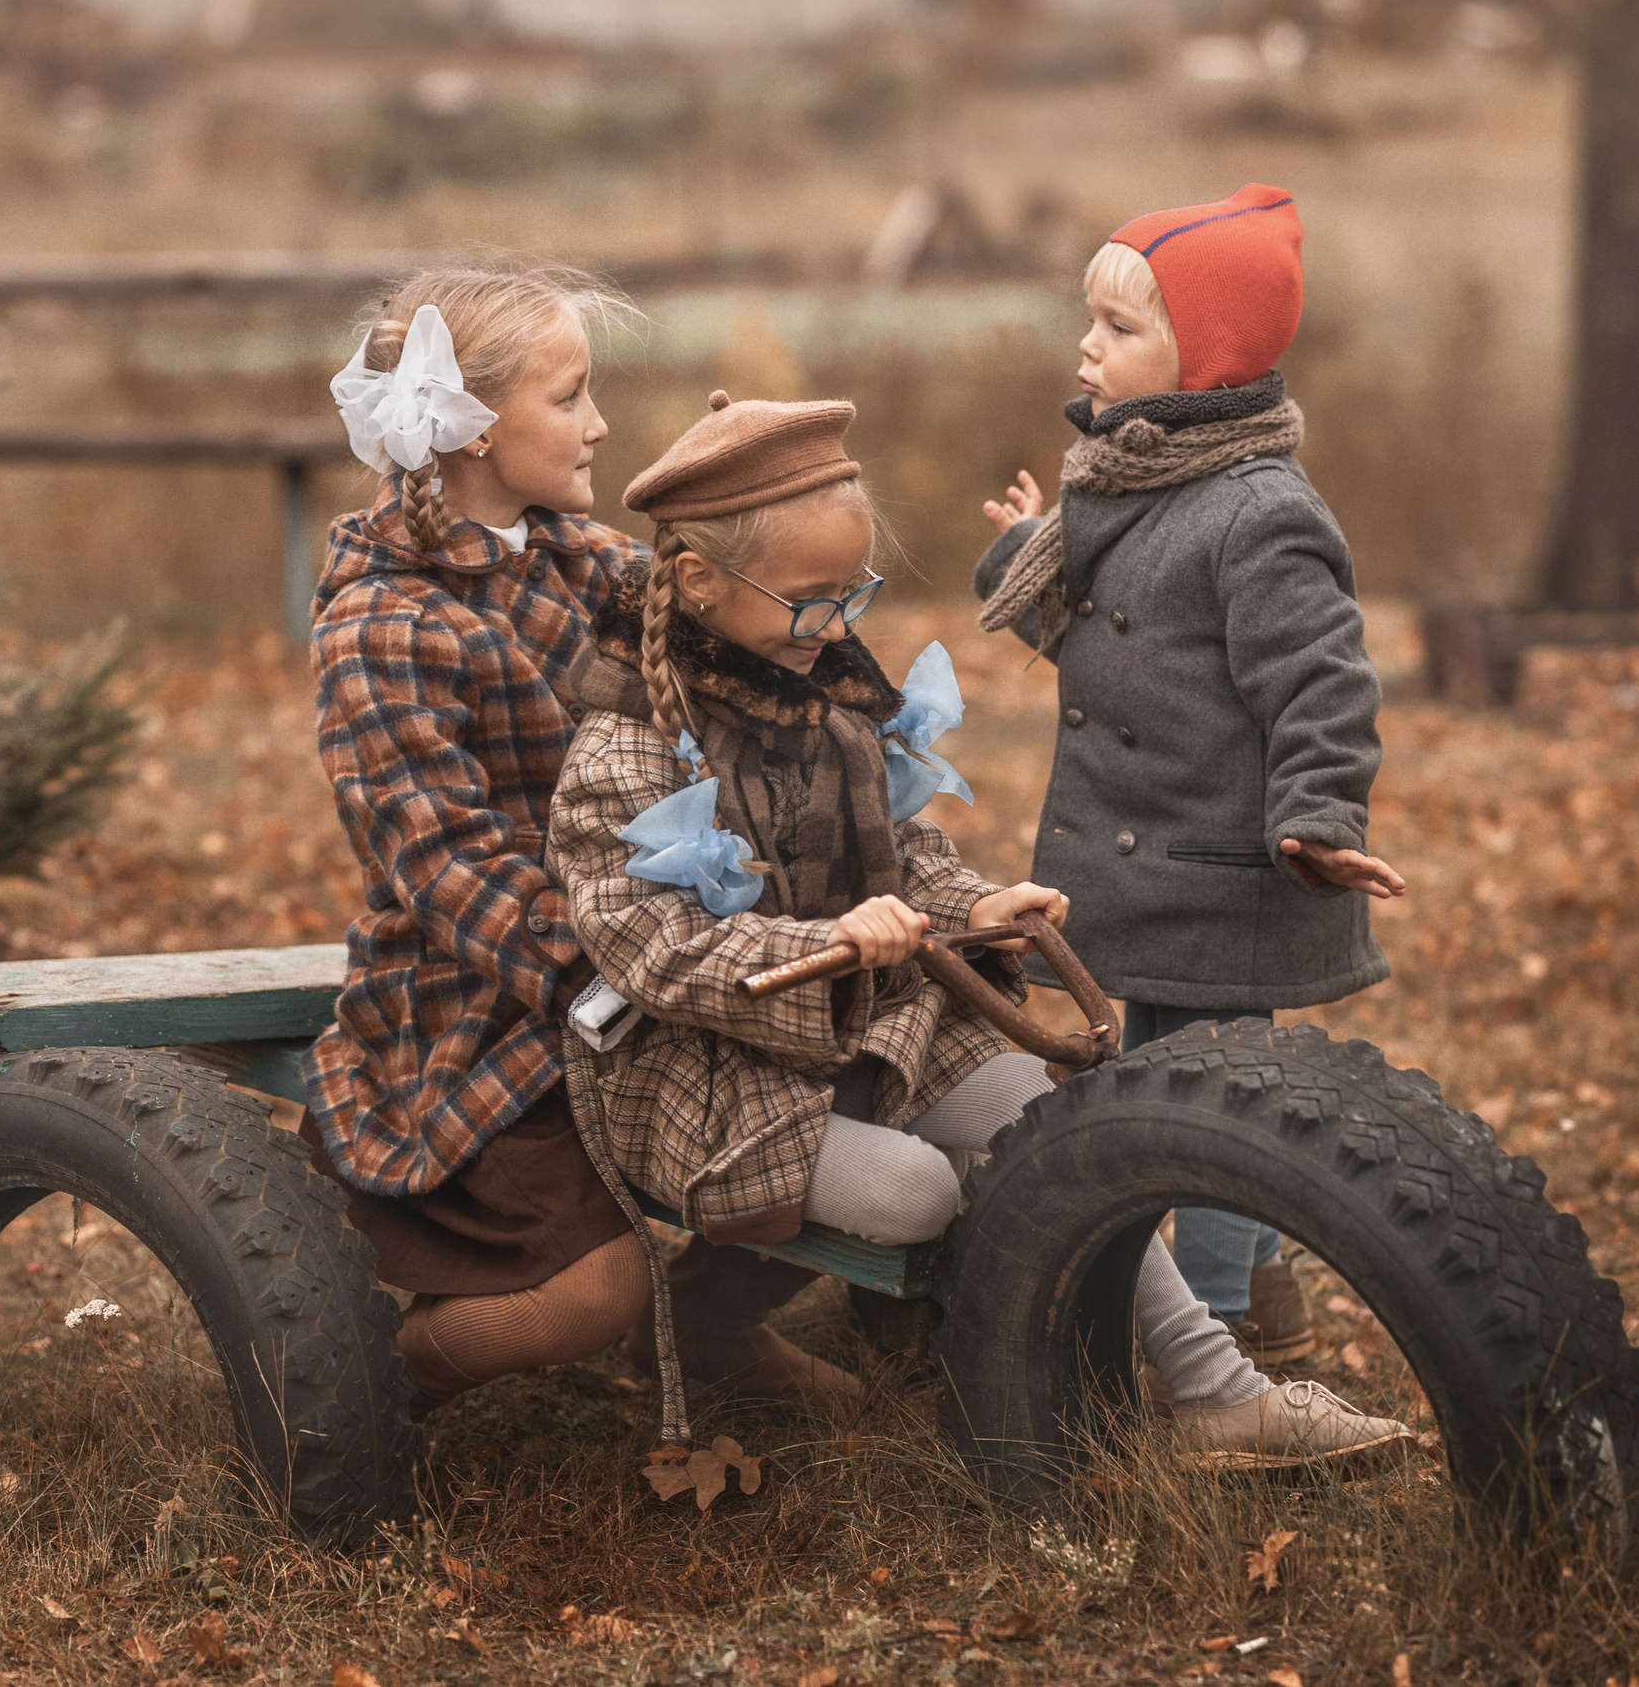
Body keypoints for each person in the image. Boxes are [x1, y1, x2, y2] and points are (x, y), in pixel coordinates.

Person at [550, 390, 1413, 1468]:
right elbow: (651, 947)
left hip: (866, 1027)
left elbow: (905, 855)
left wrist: (971, 906)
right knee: (920, 1192)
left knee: (1062, 1126)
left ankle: (1213, 1389)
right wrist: (818, 945)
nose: (833, 629)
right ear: (696, 583)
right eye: (807, 603)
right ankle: (712, 1318)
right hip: (706, 1061)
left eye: (848, 597)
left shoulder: (830, 702)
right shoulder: (622, 748)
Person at [973, 183, 1408, 1361]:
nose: (1088, 347)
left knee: (1215, 1114)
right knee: (1171, 1092)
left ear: (1201, 357)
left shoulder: (1257, 511)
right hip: (1143, 866)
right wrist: (1028, 557)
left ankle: (1219, 1338)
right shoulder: (1130, 482)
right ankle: (1259, 1299)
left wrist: (1316, 814)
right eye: (1092, 321)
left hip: (1218, 873)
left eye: (1118, 327)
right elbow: (1119, 648)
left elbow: (1321, 681)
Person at [299, 262, 659, 1420]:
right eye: (570, 397)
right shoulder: (382, 622)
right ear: (474, 431)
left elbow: (718, 645)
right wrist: (621, 967)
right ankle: (372, 1378)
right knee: (592, 1292)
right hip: (483, 991)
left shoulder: (584, 562)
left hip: (655, 946)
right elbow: (446, 866)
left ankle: (712, 1337)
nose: (598, 423)